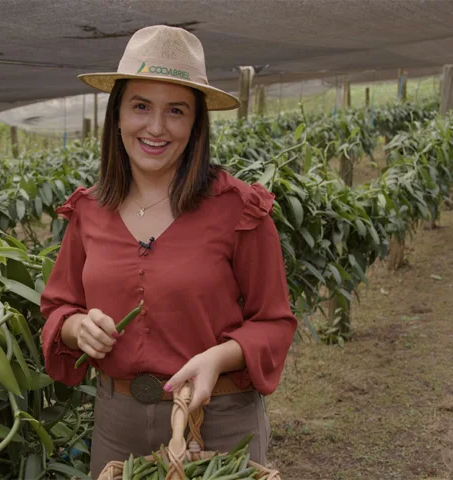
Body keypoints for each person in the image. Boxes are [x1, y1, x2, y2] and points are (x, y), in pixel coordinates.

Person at [39, 25, 298, 478]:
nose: (156, 127)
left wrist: (218, 357)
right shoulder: (90, 212)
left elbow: (274, 321)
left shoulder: (238, 211)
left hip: (216, 423)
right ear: (116, 114)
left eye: (175, 111)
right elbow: (58, 307)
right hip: (117, 423)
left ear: (196, 123)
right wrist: (77, 328)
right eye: (141, 106)